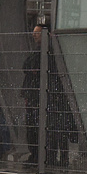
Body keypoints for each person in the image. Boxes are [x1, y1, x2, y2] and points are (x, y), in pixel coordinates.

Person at [21, 24, 77, 166]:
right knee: (35, 128)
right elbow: (27, 66)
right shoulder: (38, 51)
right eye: (33, 33)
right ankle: (41, 156)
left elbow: (33, 67)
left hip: (46, 96)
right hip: (36, 95)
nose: (34, 35)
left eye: (37, 33)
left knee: (49, 128)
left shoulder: (50, 51)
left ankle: (49, 157)